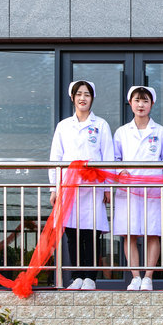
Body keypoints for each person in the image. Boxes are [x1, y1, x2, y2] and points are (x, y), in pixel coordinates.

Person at [49, 80, 113, 290]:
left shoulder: (101, 125)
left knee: (91, 232)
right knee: (72, 232)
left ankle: (90, 278)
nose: (82, 98)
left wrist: (107, 187)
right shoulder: (64, 126)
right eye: (79, 94)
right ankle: (76, 276)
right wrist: (54, 188)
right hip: (69, 187)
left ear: (92, 98)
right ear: (72, 98)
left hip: (93, 186)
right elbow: (55, 157)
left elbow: (108, 157)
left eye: (87, 94)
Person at [113, 86, 163, 291]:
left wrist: (162, 181)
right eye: (137, 100)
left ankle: (148, 276)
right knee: (130, 232)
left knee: (152, 231)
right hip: (128, 189)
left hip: (153, 188)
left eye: (145, 101)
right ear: (130, 103)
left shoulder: (161, 132)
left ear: (151, 104)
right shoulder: (121, 132)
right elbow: (115, 160)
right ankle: (135, 276)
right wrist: (120, 174)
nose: (141, 104)